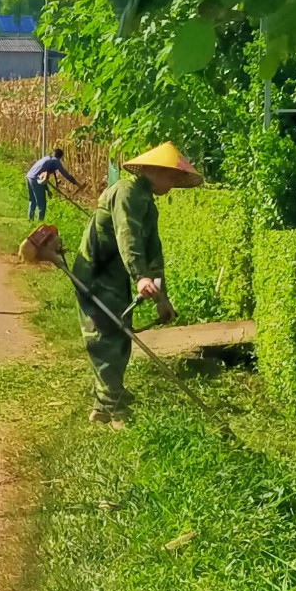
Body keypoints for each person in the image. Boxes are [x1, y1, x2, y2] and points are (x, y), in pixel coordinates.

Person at [71, 141, 201, 425]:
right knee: (105, 335)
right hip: (95, 272)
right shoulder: (127, 192)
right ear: (153, 170)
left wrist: (162, 299)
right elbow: (126, 236)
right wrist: (140, 277)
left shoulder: (148, 204)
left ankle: (105, 401)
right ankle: (112, 408)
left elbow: (154, 253)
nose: (173, 182)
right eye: (170, 175)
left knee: (119, 334)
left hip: (115, 275)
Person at [25, 144, 80, 222]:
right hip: (35, 179)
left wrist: (47, 190)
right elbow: (64, 173)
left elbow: (43, 177)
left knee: (32, 200)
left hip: (29, 176)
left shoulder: (46, 158)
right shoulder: (55, 161)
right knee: (41, 203)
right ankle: (40, 222)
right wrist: (75, 182)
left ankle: (30, 219)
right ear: (60, 157)